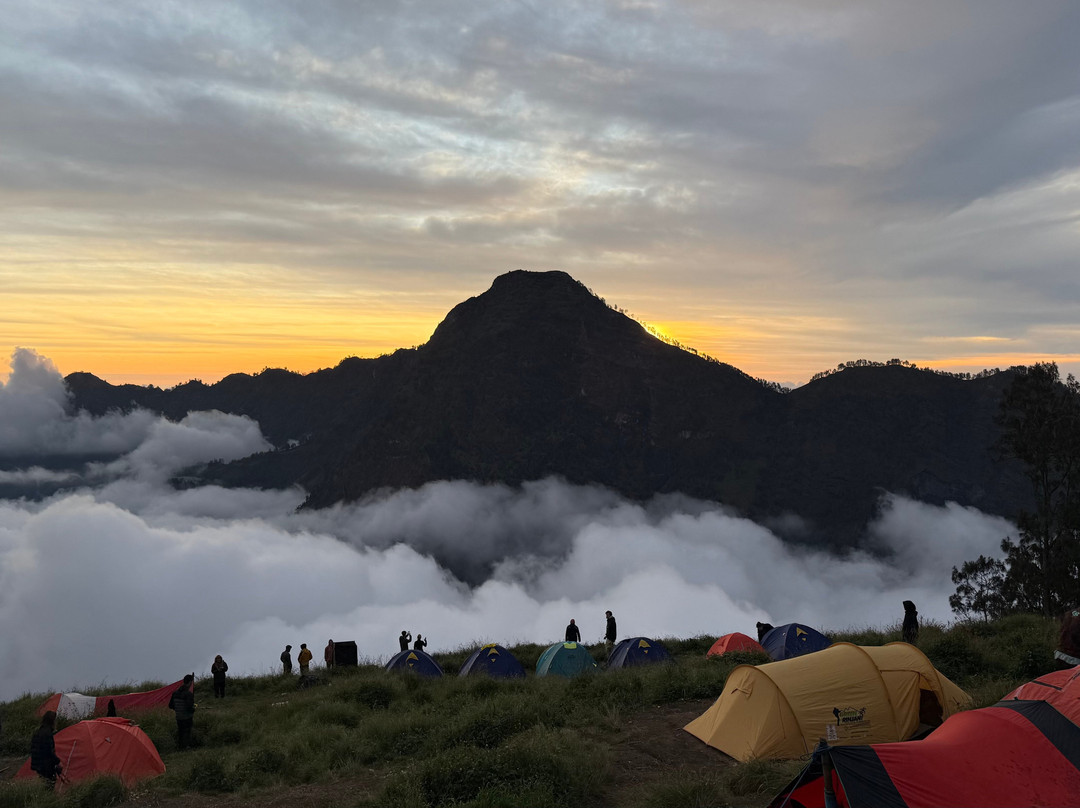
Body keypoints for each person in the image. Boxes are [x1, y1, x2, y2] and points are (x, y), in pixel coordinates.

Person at [30, 710, 62, 788]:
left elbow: (33, 748)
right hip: (46, 765)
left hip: (38, 765)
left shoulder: (38, 732)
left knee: (44, 783)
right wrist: (58, 762)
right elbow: (49, 751)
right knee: (49, 785)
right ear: (52, 721)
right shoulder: (47, 734)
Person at [168, 674, 196, 750]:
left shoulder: (175, 693)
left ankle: (180, 747)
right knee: (187, 732)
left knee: (180, 732)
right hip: (187, 717)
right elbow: (189, 707)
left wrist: (177, 708)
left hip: (178, 717)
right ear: (190, 682)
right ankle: (186, 747)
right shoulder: (188, 694)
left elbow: (170, 705)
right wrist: (194, 708)